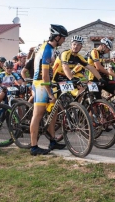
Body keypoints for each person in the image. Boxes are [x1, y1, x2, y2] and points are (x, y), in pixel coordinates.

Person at [30, 24, 68, 156]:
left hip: (46, 82)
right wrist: (50, 92)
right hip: (41, 83)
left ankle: (52, 141)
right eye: (63, 38)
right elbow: (45, 74)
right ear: (57, 37)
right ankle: (34, 147)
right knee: (38, 114)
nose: (64, 40)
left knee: (53, 110)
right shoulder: (47, 49)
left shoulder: (50, 47)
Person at [86, 38, 115, 105]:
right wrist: (108, 73)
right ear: (104, 46)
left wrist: (106, 74)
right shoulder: (94, 52)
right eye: (108, 49)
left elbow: (102, 67)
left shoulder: (101, 54)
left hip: (103, 79)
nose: (108, 51)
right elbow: (98, 67)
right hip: (94, 80)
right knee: (96, 105)